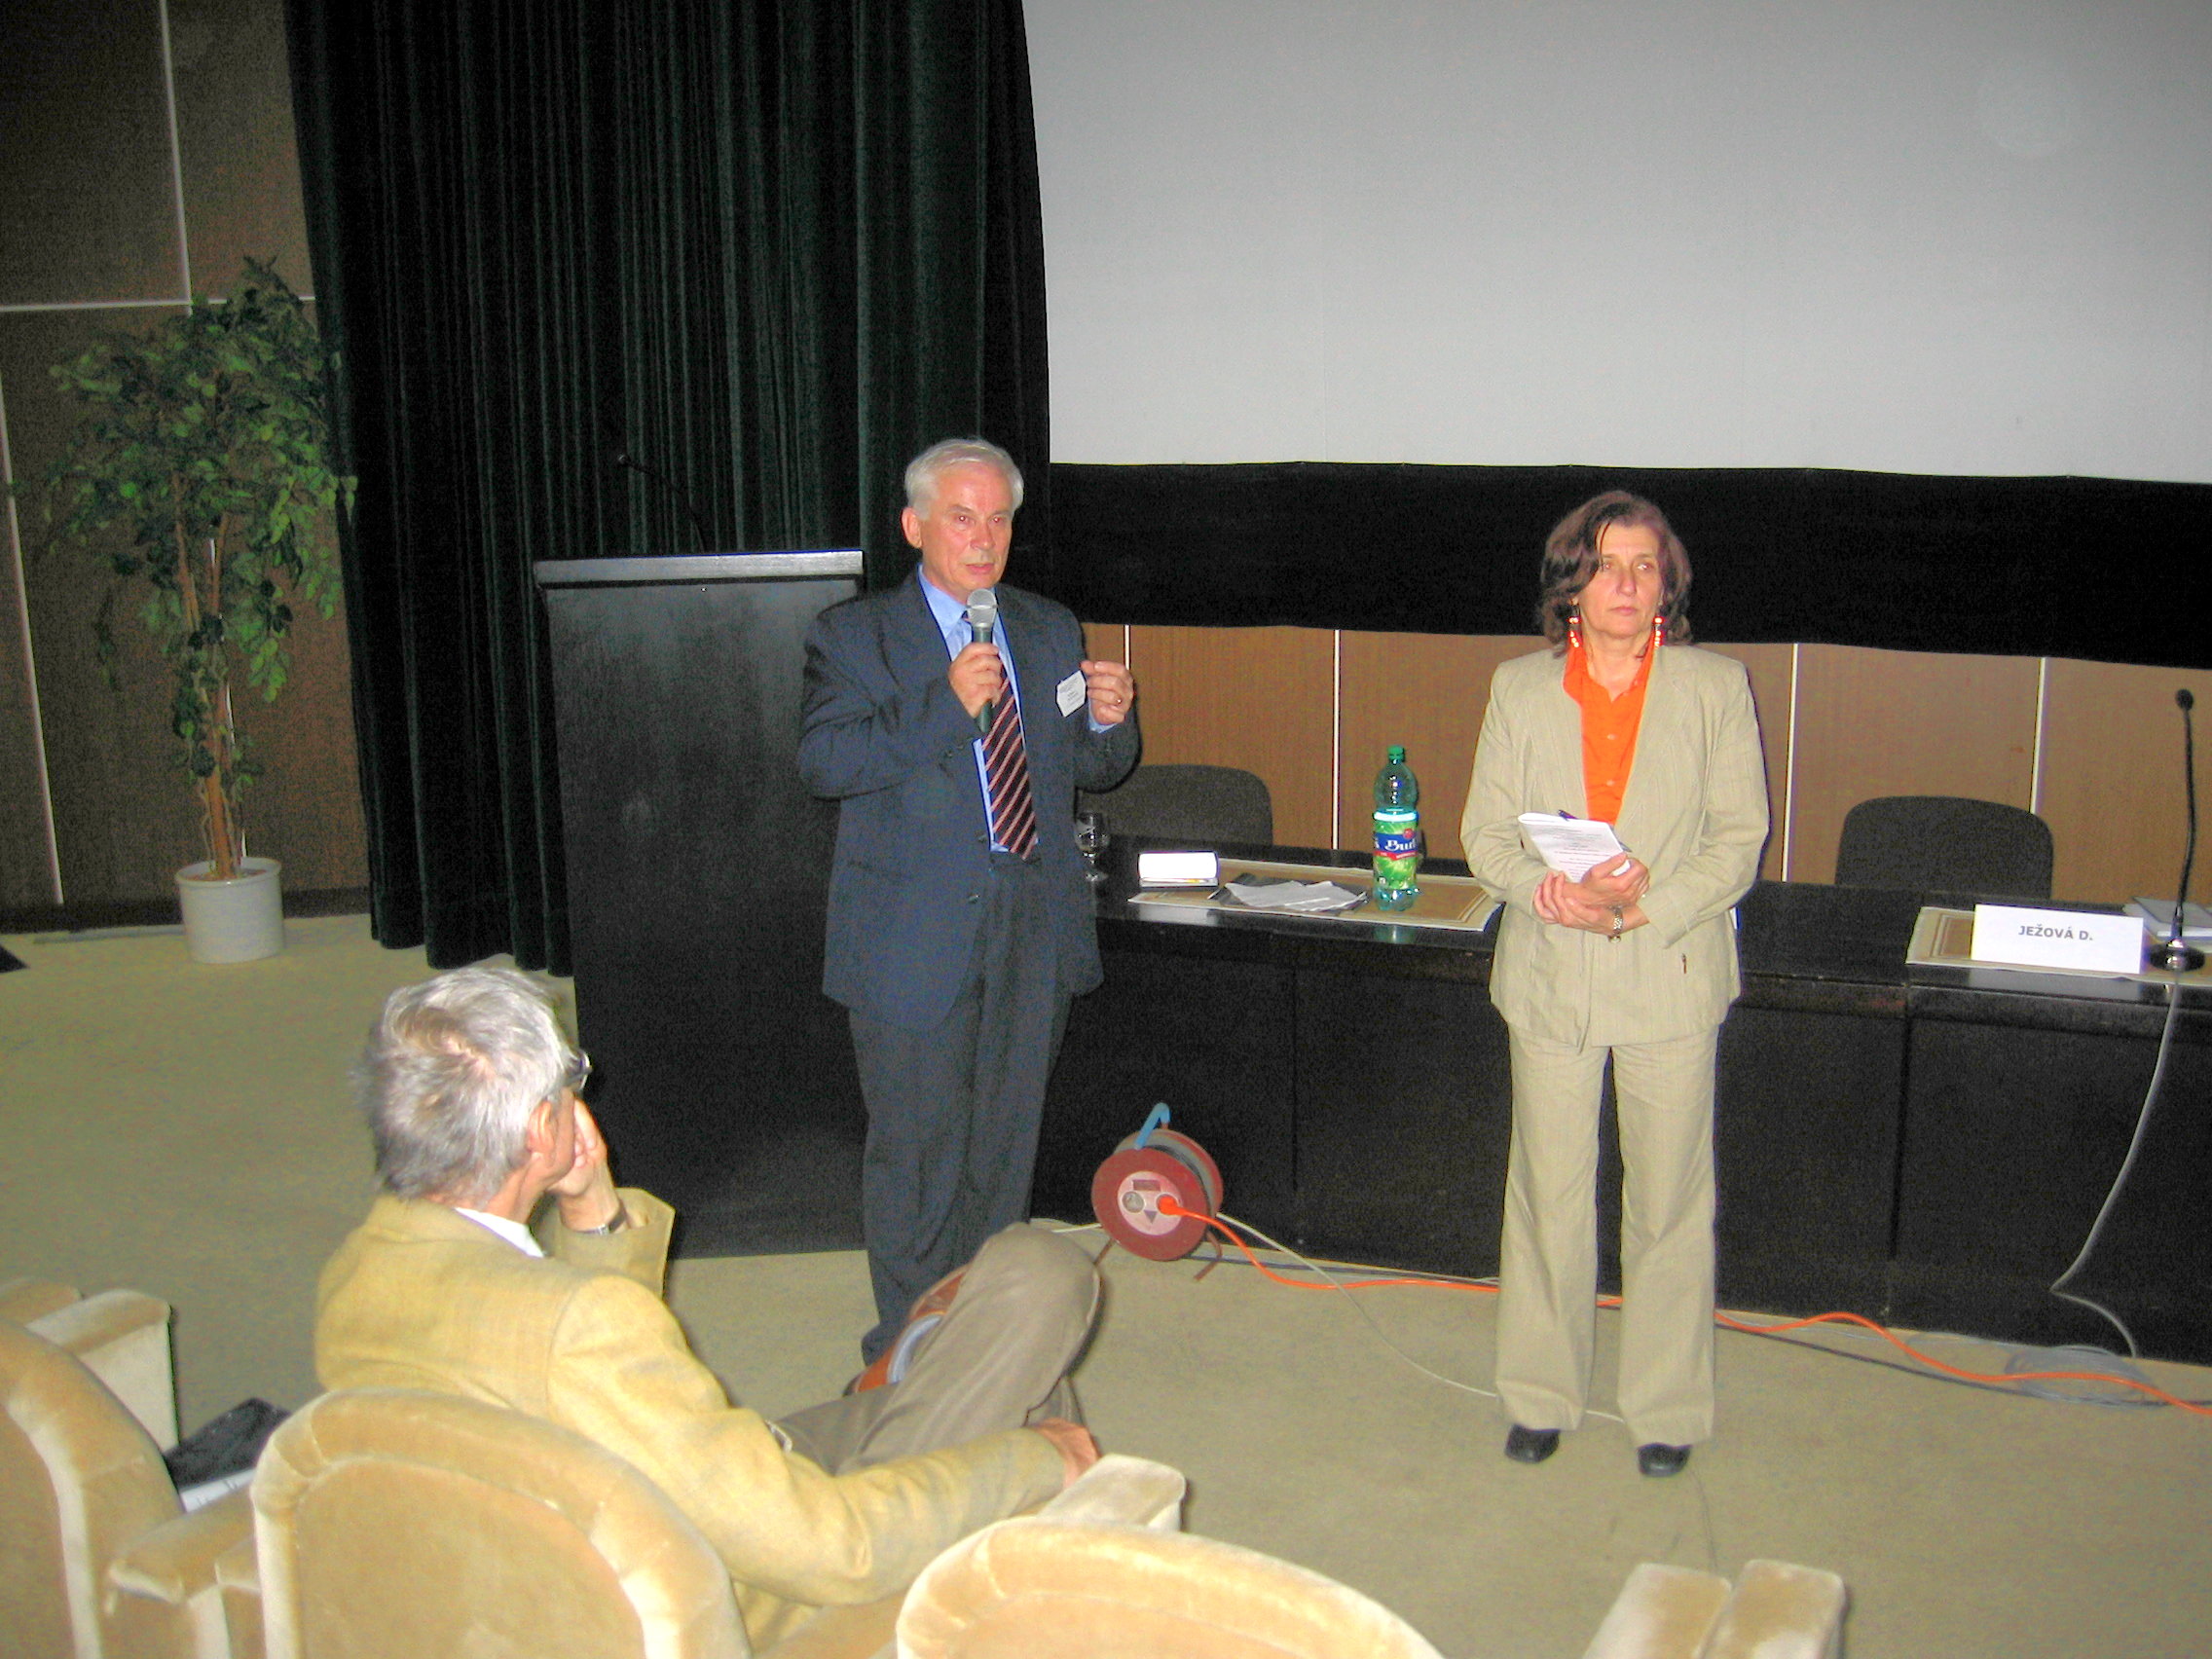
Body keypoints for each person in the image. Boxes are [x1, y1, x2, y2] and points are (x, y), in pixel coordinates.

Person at [317, 968, 1102, 1650]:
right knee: (1043, 1297)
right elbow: (836, 1552)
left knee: (1004, 1347)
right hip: (741, 1584)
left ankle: (922, 1389)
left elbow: (586, 1378)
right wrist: (1035, 1460)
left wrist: (592, 1205)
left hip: (642, 1504)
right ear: (537, 1129)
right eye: (567, 1082)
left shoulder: (359, 1271)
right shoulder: (585, 1330)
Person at [797, 437, 1140, 1363]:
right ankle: (907, 1357)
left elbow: (1087, 764)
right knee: (918, 1163)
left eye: (998, 519)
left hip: (1032, 927)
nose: (984, 538)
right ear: (914, 526)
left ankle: (979, 1346)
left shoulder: (1047, 627)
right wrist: (945, 705)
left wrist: (1110, 720)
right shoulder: (855, 635)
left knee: (1001, 1157)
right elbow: (825, 762)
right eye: (961, 517)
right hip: (912, 938)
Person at [1459, 491, 1767, 1479]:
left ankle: (1665, 1408)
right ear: (1573, 585)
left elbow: (1738, 842)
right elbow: (1485, 836)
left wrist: (1643, 910)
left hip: (1667, 969)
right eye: (1605, 565)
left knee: (1668, 1199)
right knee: (1546, 1193)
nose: (1626, 583)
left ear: (1665, 584)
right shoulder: (1518, 688)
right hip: (1551, 971)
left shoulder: (1715, 687)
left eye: (1644, 565)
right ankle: (1540, 1395)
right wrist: (1543, 890)